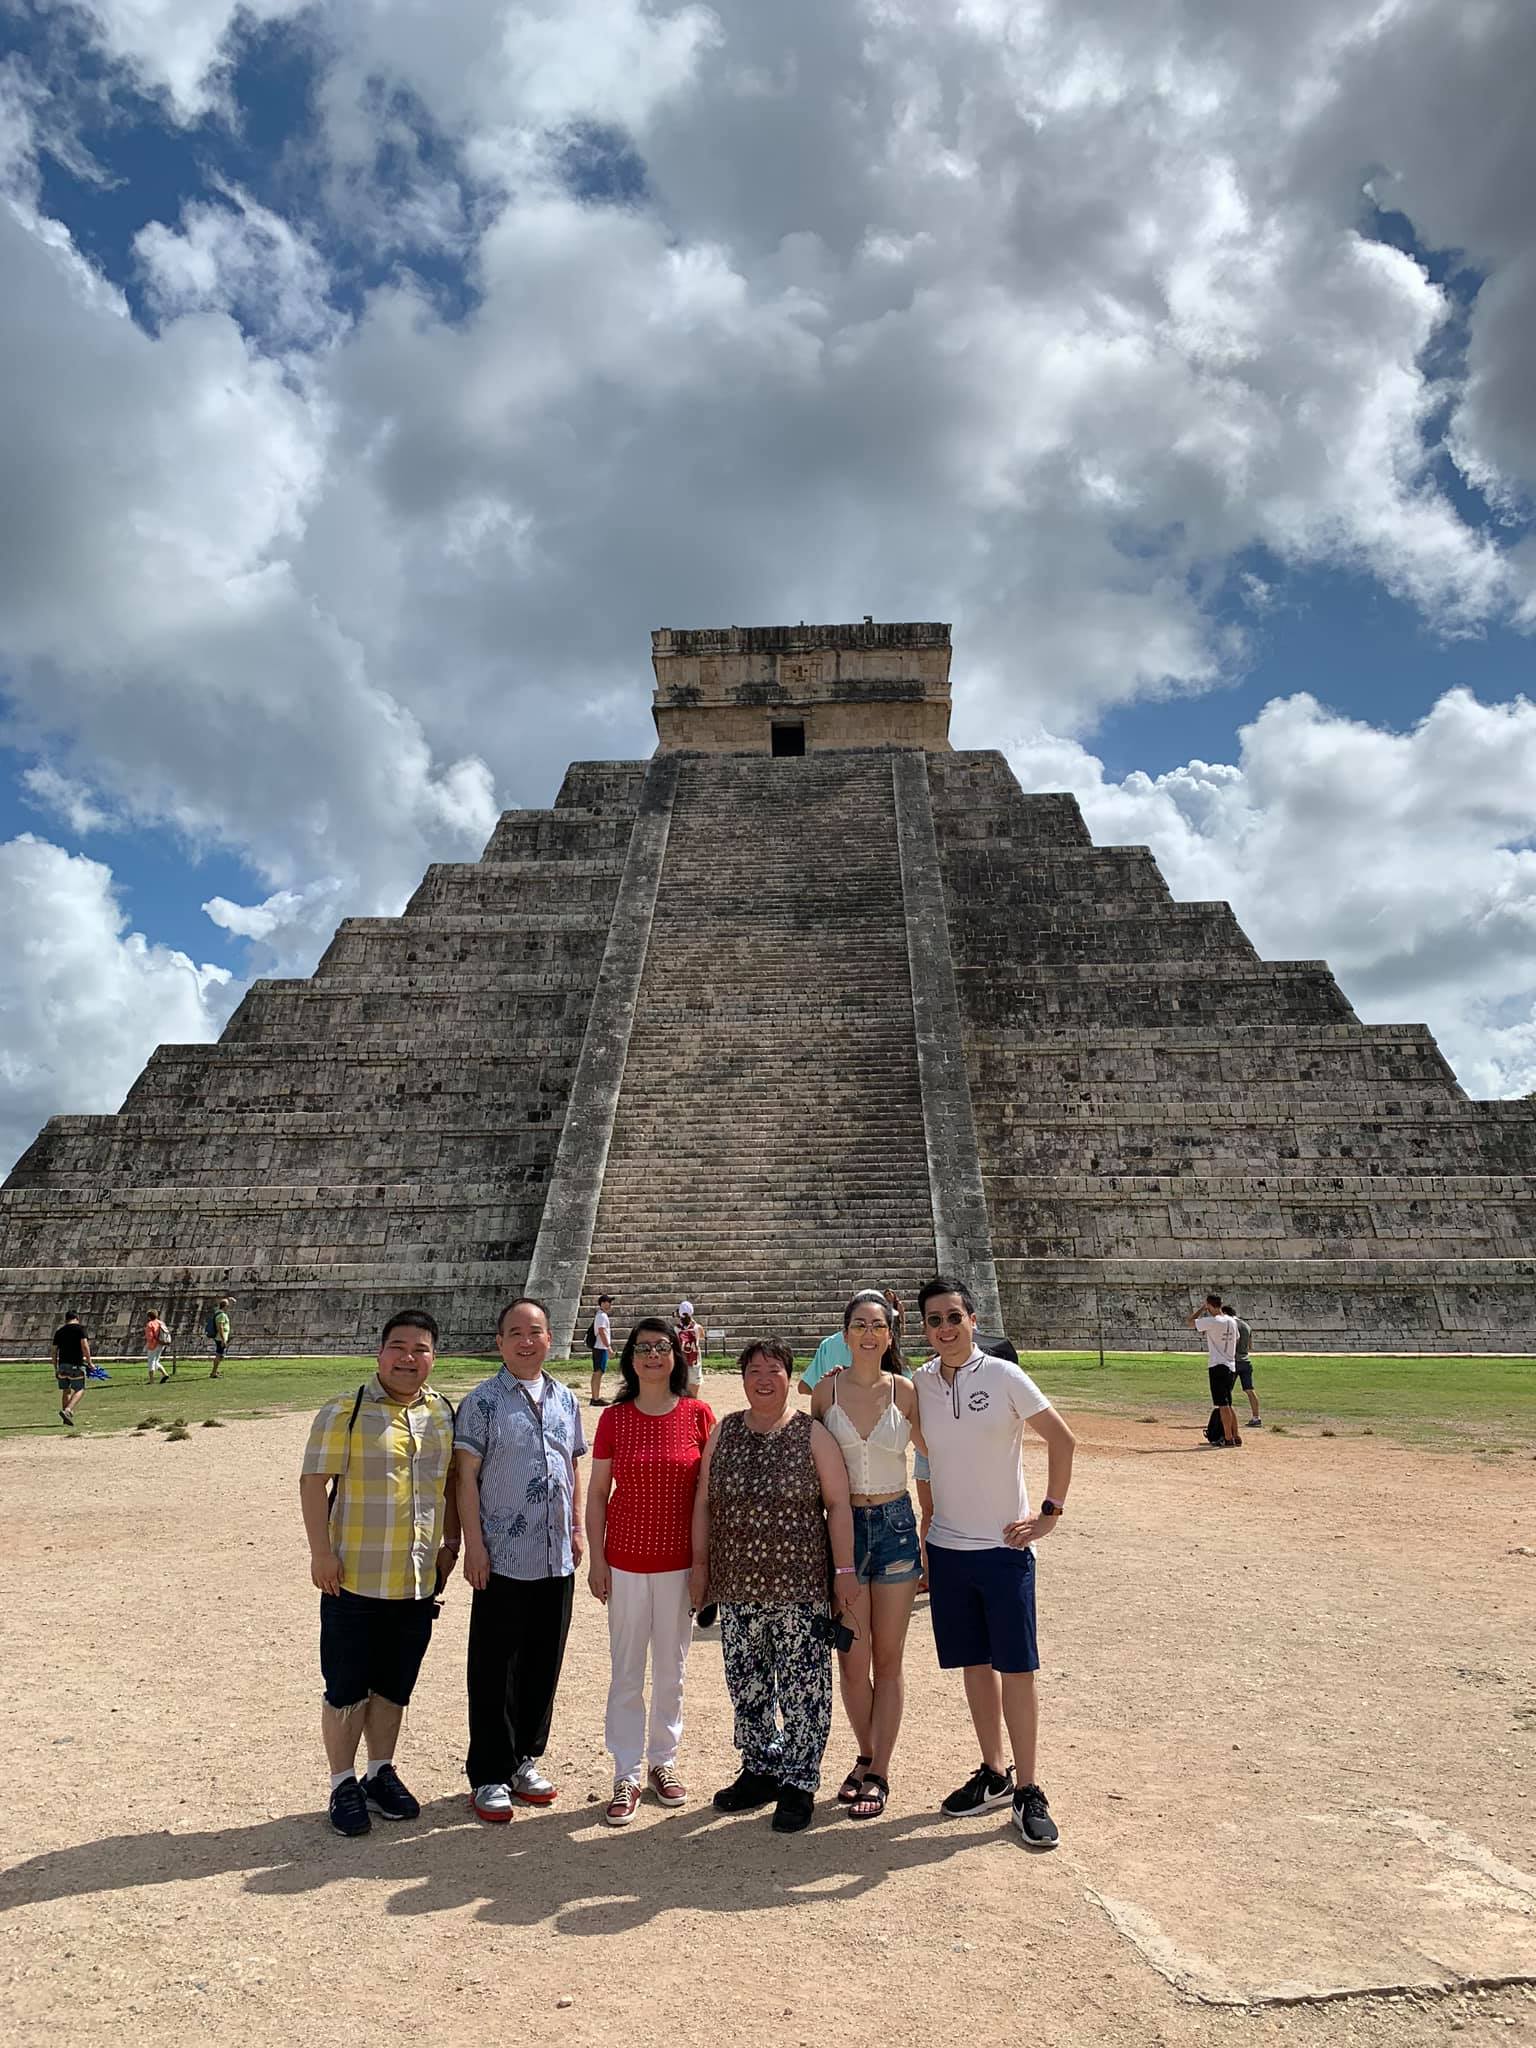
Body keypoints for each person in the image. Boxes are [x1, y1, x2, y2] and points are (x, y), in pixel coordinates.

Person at [913, 1276, 1075, 1850]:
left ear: (973, 1319)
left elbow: (1062, 1439)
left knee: (1016, 1668)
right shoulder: (921, 1383)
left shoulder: (1003, 1375)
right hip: (950, 1549)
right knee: (974, 1666)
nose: (945, 1328)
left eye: (953, 1316)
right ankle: (993, 1772)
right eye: (934, 1320)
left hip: (1004, 1549)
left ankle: (1030, 1787)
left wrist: (1049, 1513)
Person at [298, 1309, 461, 1837]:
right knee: (346, 1687)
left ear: (434, 1357)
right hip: (354, 1575)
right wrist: (321, 1553)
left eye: (420, 1349)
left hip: (415, 1578)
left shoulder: (442, 1413)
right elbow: (312, 1483)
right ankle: (341, 1780)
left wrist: (450, 1543)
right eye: (398, 1347)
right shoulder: (346, 1410)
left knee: (395, 1686)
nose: (409, 1358)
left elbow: (452, 1486)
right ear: (380, 1352)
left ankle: (379, 1770)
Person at [690, 1338, 857, 1834]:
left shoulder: (811, 1435)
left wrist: (843, 1573)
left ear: (789, 1377)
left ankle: (800, 1780)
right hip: (737, 1586)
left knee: (804, 1688)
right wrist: (701, 1568)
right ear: (743, 1379)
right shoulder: (724, 1432)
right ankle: (761, 1768)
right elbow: (704, 1502)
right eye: (754, 1370)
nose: (764, 1379)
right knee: (747, 1683)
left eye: (774, 1370)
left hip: (798, 1587)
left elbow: (839, 1505)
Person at [456, 1297, 587, 1821]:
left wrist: (577, 1528)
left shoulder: (566, 1398)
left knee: (542, 1660)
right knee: (494, 1665)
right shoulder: (482, 1402)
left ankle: (525, 1758)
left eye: (535, 1331)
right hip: (503, 1554)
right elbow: (464, 1478)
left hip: (555, 1553)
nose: (526, 1340)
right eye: (515, 1332)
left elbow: (572, 1467)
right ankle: (489, 1770)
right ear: (500, 1342)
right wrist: (474, 1546)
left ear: (549, 1339)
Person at [585, 1319, 716, 1825]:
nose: (653, 1357)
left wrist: (703, 1565)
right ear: (630, 1359)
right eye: (643, 1349)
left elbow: (706, 1498)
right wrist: (598, 1558)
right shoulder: (615, 1418)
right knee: (626, 1671)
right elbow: (598, 1494)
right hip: (625, 1561)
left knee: (671, 1670)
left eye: (662, 1348)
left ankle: (664, 1760)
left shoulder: (698, 1415)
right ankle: (626, 1769)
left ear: (676, 1356)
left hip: (678, 1564)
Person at [811, 1290, 924, 1819]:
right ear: (845, 1333)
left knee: (890, 1658)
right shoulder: (825, 1393)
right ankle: (866, 1753)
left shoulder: (906, 1392)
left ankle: (877, 1771)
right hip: (843, 1529)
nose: (869, 1334)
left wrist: (935, 1523)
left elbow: (929, 1460)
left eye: (879, 1326)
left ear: (891, 1335)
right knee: (852, 1662)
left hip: (896, 1523)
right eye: (860, 1325)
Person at [1188, 1292, 1242, 1447]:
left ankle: (1227, 1437)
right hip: (1231, 1365)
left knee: (1222, 1405)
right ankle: (1236, 1435)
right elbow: (1237, 1339)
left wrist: (1201, 1309)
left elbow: (1190, 1322)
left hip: (1218, 1365)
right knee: (1228, 1403)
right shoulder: (1232, 1321)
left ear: (1210, 1305)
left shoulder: (1212, 1321)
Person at [52, 1311, 92, 1426]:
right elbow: (84, 1346)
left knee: (66, 1390)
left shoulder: (59, 1332)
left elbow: (54, 1351)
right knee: (80, 1389)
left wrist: (55, 1367)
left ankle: (65, 1418)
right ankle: (68, 1410)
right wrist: (90, 1362)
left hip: (63, 1365)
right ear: (76, 1318)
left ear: (66, 1319)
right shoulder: (80, 1329)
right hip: (76, 1364)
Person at [1229, 1304, 1261, 1426]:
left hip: (1234, 1361)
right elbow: (1250, 1346)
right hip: (1246, 1360)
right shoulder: (1247, 1325)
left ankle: (1225, 1417)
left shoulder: (1231, 1324)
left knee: (1226, 1391)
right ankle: (1256, 1417)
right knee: (1249, 1390)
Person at [796, 1327, 851, 1397]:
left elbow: (805, 1387)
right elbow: (804, 1387)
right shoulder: (829, 1344)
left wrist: (832, 1393)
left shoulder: (830, 1343)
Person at [588, 1293, 614, 1408]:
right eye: (608, 1302)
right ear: (603, 1303)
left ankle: (595, 1397)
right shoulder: (602, 1316)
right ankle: (595, 1398)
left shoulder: (601, 1315)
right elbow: (602, 1332)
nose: (610, 1304)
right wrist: (608, 1347)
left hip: (599, 1347)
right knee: (598, 1372)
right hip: (600, 1347)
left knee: (598, 1372)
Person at [674, 1301, 704, 1395]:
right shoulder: (697, 1328)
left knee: (682, 1392)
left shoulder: (676, 1329)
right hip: (694, 1362)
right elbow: (703, 1336)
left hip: (681, 1362)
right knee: (694, 1394)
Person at [144, 1308, 171, 1384]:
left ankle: (151, 1380)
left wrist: (149, 1344)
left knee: (151, 1362)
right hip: (161, 1344)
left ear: (149, 1317)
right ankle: (165, 1374)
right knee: (156, 1361)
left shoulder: (150, 1324)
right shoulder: (161, 1323)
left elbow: (150, 1337)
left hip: (153, 1344)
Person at [208, 1298, 232, 1379]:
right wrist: (223, 1339)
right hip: (220, 1338)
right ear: (225, 1306)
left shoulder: (218, 1312)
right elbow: (220, 1327)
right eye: (227, 1306)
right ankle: (213, 1372)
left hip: (220, 1337)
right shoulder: (221, 1315)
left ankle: (215, 1370)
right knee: (219, 1355)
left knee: (220, 1355)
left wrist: (229, 1299)